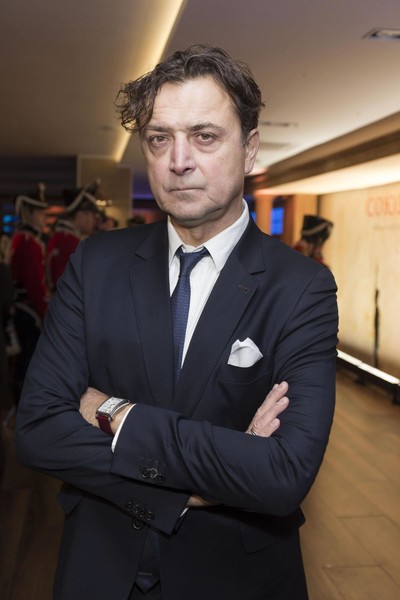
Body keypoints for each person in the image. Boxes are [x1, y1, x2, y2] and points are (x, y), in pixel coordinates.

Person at [15, 45, 338, 600]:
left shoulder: (301, 287)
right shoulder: (97, 263)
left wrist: (115, 413)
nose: (178, 160)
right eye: (159, 138)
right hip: (99, 569)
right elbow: (39, 428)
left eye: (204, 136)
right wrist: (216, 475)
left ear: (250, 149)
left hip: (234, 578)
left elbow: (282, 475)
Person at [8, 184, 49, 403]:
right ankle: (23, 404)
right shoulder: (28, 242)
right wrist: (44, 313)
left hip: (23, 308)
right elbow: (34, 285)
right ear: (30, 214)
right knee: (28, 361)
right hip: (28, 310)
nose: (45, 218)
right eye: (41, 213)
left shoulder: (24, 239)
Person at [47, 181, 100, 291]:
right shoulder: (69, 242)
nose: (93, 221)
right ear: (81, 214)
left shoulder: (62, 237)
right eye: (91, 215)